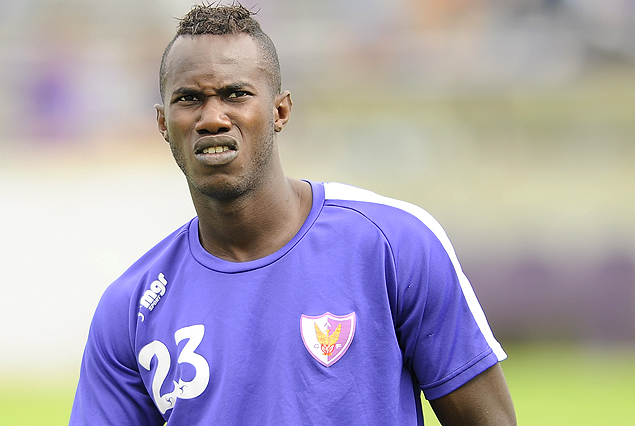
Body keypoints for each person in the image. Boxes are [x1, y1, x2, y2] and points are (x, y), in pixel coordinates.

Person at [70, 4, 516, 425]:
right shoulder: (131, 306)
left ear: (280, 110)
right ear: (163, 123)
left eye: (236, 94)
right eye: (189, 99)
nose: (213, 118)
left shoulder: (393, 244)